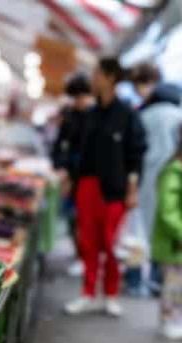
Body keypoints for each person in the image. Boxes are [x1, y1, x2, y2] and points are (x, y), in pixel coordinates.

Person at [65, 58, 147, 317]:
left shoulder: (128, 114)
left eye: (97, 73)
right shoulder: (89, 115)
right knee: (88, 243)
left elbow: (136, 154)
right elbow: (76, 150)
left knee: (111, 244)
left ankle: (111, 294)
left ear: (110, 77)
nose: (93, 78)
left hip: (115, 189)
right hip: (87, 185)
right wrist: (71, 178)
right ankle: (88, 293)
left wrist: (132, 189)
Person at [132, 64, 182, 296]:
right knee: (167, 230)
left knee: (141, 230)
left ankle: (140, 281)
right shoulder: (178, 115)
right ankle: (160, 282)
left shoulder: (143, 115)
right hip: (172, 175)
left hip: (146, 179)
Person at [52, 74, 93, 276]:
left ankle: (84, 257)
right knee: (72, 218)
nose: (78, 102)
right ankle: (80, 254)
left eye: (81, 97)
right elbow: (60, 144)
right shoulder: (70, 116)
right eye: (75, 98)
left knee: (83, 220)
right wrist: (61, 168)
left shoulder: (95, 117)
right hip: (71, 175)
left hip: (85, 177)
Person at [152, 134, 182, 339]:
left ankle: (172, 319)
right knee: (173, 284)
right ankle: (169, 319)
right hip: (174, 242)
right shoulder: (174, 172)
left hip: (175, 240)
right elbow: (167, 210)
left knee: (175, 284)